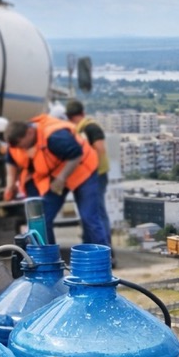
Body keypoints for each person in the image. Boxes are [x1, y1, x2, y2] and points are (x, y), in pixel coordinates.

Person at [4, 113, 104, 247]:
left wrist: (61, 178)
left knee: (89, 217)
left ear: (29, 132)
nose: (21, 149)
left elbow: (76, 154)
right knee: (42, 218)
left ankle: (104, 258)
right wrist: (11, 185)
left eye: (22, 145)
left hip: (82, 170)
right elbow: (11, 160)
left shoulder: (55, 137)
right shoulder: (16, 143)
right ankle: (48, 260)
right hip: (57, 174)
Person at [64, 99, 112, 249]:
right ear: (82, 113)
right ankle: (90, 245)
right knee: (90, 212)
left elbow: (100, 148)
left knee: (96, 212)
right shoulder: (81, 129)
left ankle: (105, 248)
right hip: (90, 176)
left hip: (96, 175)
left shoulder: (90, 127)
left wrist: (87, 166)